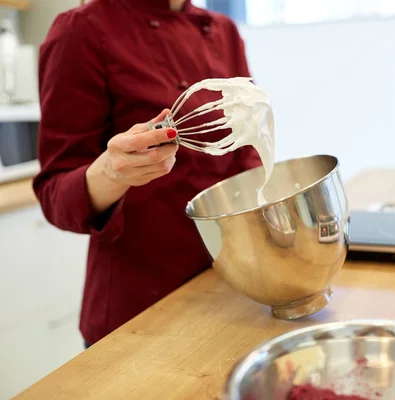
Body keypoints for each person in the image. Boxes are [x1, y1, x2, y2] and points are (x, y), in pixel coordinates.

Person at [33, 0, 262, 348]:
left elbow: (247, 151)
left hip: (232, 284)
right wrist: (112, 171)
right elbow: (55, 193)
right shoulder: (81, 31)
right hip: (138, 309)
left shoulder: (223, 31)